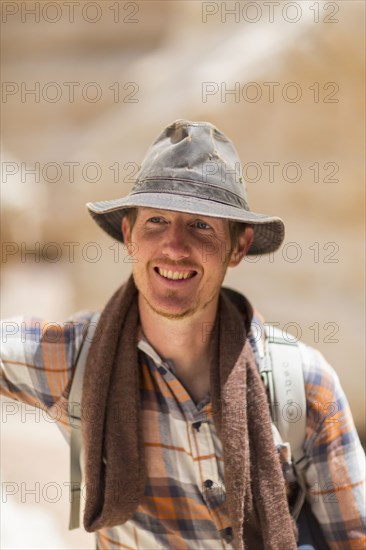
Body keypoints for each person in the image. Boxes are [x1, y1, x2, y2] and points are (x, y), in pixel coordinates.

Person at [1, 120, 365, 550]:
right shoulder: (75, 356)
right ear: (128, 236)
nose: (174, 246)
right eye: (156, 220)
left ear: (239, 247)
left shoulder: (302, 382)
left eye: (200, 226)